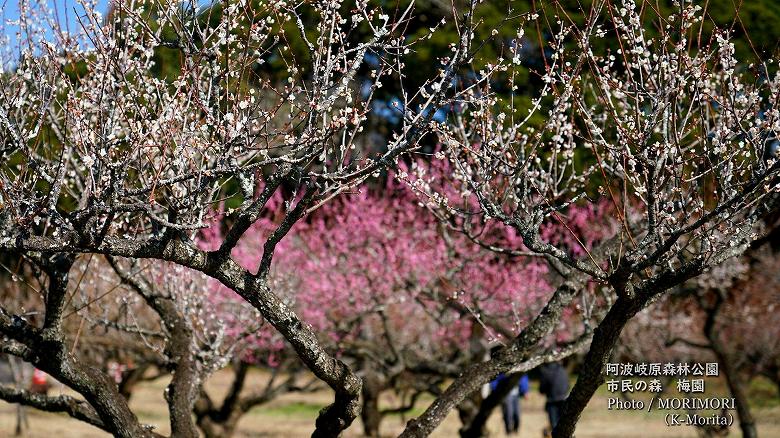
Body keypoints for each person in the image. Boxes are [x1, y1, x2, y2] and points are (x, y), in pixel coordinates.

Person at [538, 361, 569, 432]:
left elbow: (542, 389)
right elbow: (567, 385)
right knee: (562, 423)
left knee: (554, 425)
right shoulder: (563, 370)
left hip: (552, 401)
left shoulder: (545, 371)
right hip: (563, 399)